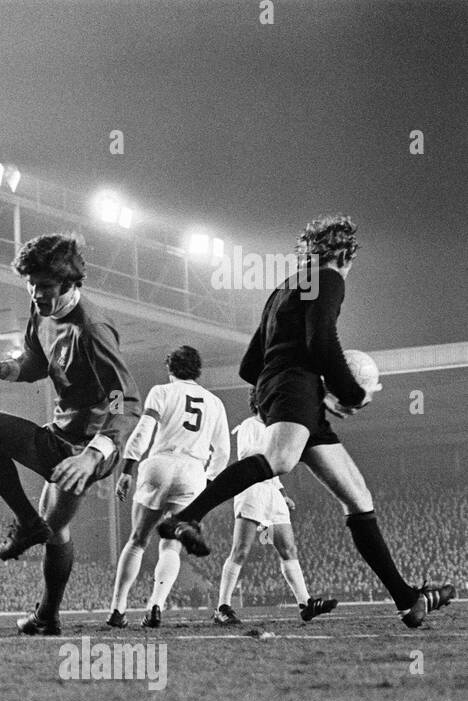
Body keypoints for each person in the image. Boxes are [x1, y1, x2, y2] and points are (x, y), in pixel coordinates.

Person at [158, 215, 453, 627]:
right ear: (346, 254)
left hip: (291, 388)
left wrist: (300, 393)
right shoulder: (329, 278)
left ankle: (407, 599)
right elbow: (322, 339)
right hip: (295, 384)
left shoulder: (283, 289)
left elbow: (248, 366)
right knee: (278, 460)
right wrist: (349, 392)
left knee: (358, 496)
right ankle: (186, 517)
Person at [0, 233, 140, 636]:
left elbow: (124, 401)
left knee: (55, 527)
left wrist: (93, 456)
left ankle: (46, 613)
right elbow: (36, 361)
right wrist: (4, 369)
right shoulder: (40, 310)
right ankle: (28, 530)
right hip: (57, 435)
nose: (37, 293)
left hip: (86, 448)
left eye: (45, 287)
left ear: (72, 284)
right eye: (32, 284)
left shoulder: (93, 329)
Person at [108, 346, 229, 629]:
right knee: (171, 545)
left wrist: (127, 469)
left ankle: (117, 609)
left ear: (170, 369)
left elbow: (144, 430)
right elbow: (222, 451)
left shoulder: (162, 392)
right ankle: (155, 606)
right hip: (193, 472)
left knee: (137, 540)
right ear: (198, 371)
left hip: (160, 464)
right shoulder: (214, 402)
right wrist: (207, 484)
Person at [216, 388, 330, 623]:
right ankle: (222, 607)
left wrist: (282, 493)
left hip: (271, 492)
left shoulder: (273, 429)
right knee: (241, 550)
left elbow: (274, 469)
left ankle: (305, 603)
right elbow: (247, 455)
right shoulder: (249, 425)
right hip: (252, 489)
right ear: (259, 403)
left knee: (288, 548)